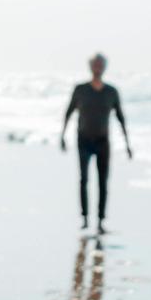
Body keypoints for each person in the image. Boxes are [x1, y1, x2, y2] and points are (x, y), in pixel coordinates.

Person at [59, 53, 132, 232]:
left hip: (103, 141)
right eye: (95, 64)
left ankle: (100, 221)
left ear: (104, 67)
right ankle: (84, 218)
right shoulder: (80, 89)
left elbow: (121, 118)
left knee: (103, 181)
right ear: (90, 66)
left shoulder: (111, 92)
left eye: (101, 64)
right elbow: (68, 112)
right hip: (83, 140)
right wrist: (62, 135)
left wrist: (128, 144)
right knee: (84, 179)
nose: (98, 67)